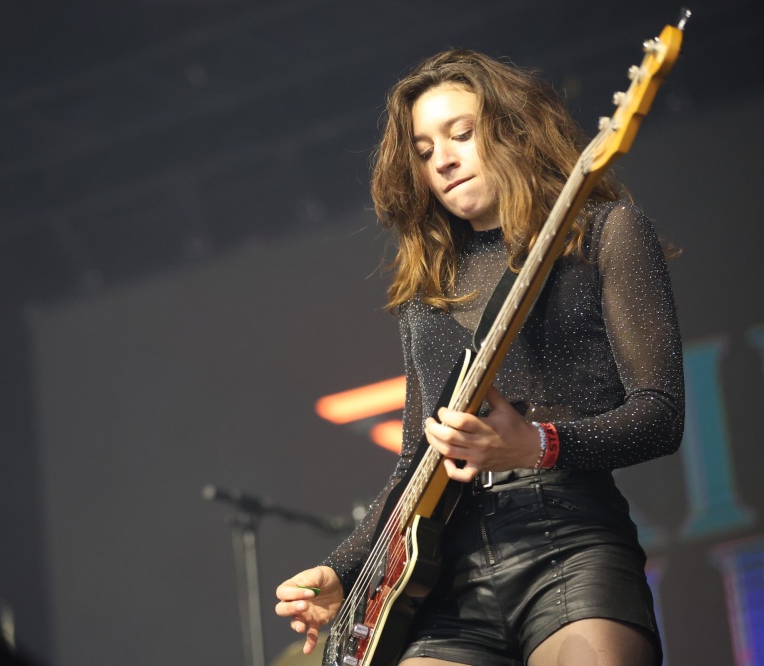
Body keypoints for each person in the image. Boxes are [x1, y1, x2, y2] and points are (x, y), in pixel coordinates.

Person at [274, 49, 684, 666]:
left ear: (514, 131)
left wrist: (537, 445)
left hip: (570, 546)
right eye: (424, 151)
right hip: (446, 579)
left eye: (461, 134)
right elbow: (415, 463)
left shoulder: (605, 230)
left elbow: (661, 414)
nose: (442, 159)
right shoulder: (426, 291)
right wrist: (342, 570)